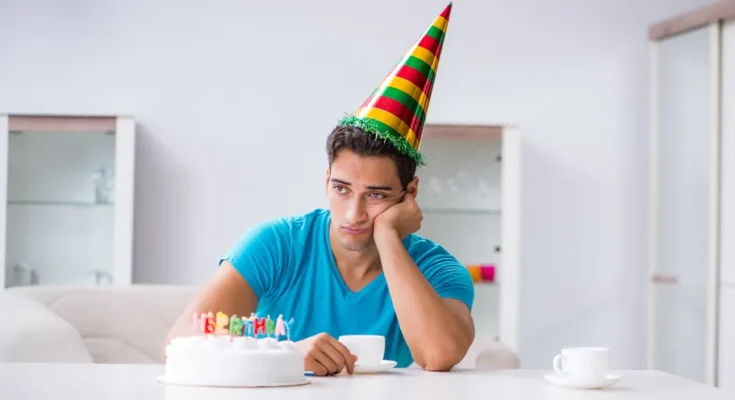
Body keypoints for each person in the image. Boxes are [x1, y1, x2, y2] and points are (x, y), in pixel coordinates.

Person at [163, 2, 474, 375]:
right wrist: (288, 353)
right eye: (342, 188)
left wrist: (388, 236)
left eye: (376, 195)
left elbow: (439, 356)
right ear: (326, 179)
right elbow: (181, 344)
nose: (353, 214)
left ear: (409, 193)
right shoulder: (276, 245)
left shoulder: (436, 268)